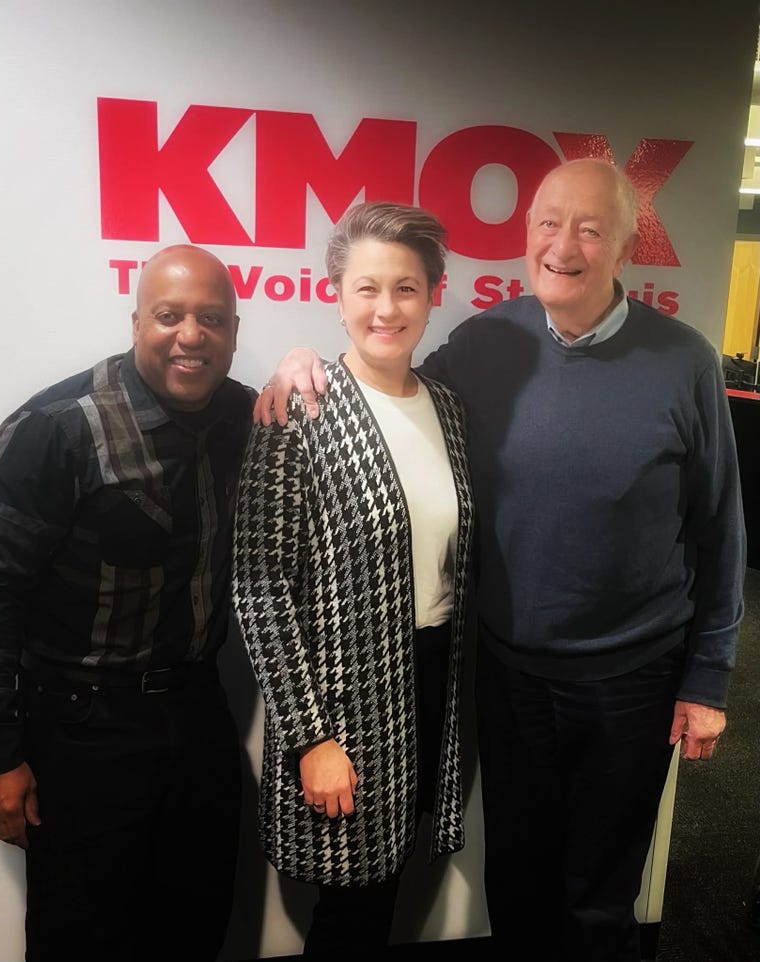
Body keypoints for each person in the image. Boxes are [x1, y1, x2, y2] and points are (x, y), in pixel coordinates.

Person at [254, 159, 747, 962]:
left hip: (634, 681)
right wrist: (296, 359)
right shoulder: (485, 343)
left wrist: (708, 679)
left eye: (591, 228)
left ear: (628, 244)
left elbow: (722, 527)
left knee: (601, 895)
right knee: (516, 878)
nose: (564, 245)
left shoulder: (685, 360)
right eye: (549, 223)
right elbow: (384, 381)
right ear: (526, 236)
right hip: (508, 677)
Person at [0, 245, 253, 962]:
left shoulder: (247, 415)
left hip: (199, 716)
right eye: (169, 315)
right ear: (135, 322)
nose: (190, 334)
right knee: (81, 940)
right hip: (81, 731)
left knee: (195, 927)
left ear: (234, 330)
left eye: (211, 319)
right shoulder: (58, 427)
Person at [231, 202, 475, 956]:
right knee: (352, 909)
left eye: (406, 288)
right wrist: (310, 739)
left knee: (390, 888)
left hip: (432, 683)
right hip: (344, 707)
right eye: (366, 287)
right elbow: (260, 587)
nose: (386, 308)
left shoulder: (451, 411)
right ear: (337, 296)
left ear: (432, 295)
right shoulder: (299, 408)